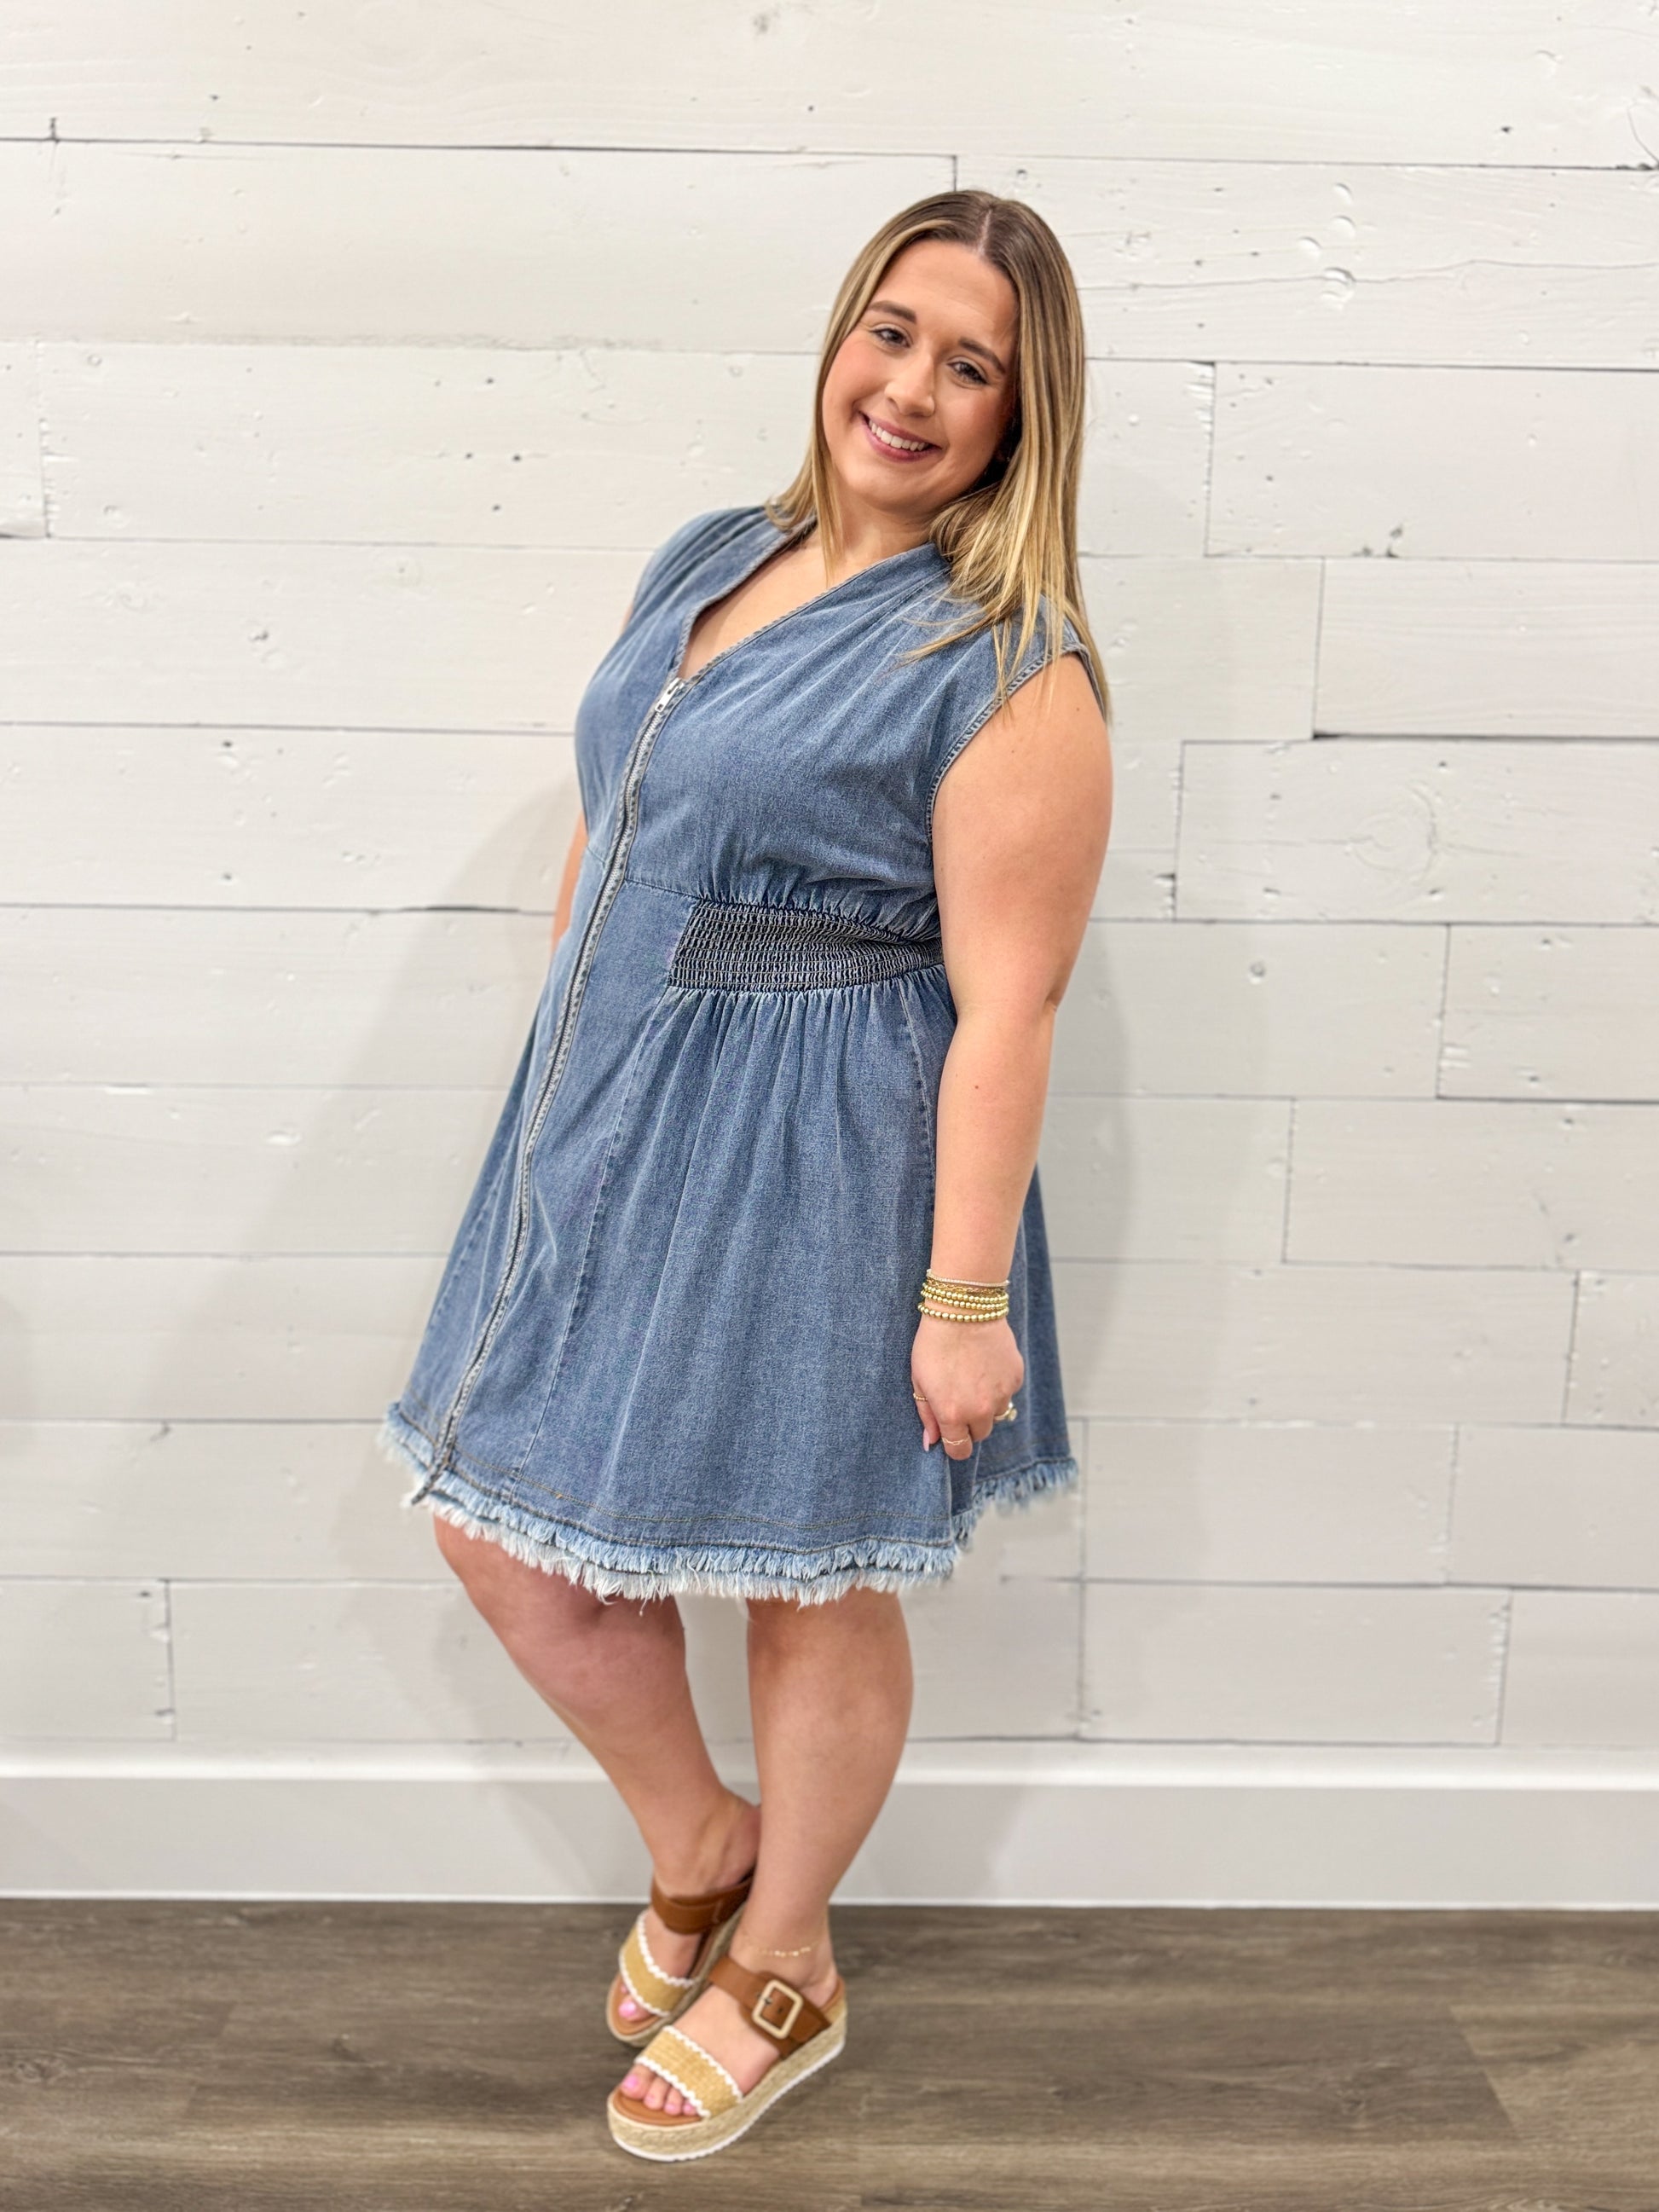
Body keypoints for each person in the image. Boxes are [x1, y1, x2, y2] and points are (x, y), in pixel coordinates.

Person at [376, 188, 1113, 2162]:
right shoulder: (714, 554)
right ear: (840, 337)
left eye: (972, 367)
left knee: (811, 1575)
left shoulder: (1008, 662)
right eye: (894, 332)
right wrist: (574, 1008)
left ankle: (783, 1960)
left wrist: (962, 1300)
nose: (912, 389)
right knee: (498, 1526)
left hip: (827, 1151)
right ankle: (703, 1839)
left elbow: (1011, 1005)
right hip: (608, 1116)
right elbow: (625, 801)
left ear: (1021, 416)